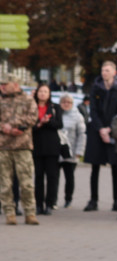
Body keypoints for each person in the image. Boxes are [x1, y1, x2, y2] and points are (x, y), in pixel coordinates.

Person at [83, 60, 117, 212]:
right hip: (96, 132)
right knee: (95, 167)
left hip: (114, 131)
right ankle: (93, 200)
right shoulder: (95, 88)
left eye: (107, 70)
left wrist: (110, 129)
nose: (104, 73)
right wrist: (101, 129)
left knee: (116, 167)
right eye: (103, 70)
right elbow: (93, 110)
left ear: (114, 72)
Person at [0, 75, 38, 225]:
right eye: (1, 84)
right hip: (3, 147)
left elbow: (33, 117)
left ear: (15, 85)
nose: (2, 87)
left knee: (26, 183)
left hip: (23, 146)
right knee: (5, 183)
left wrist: (16, 126)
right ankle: (9, 213)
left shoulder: (28, 100)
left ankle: (30, 213)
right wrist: (5, 128)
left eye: (5, 84)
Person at [30, 84, 63, 216]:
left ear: (49, 94)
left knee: (52, 177)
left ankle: (50, 203)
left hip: (52, 147)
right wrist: (39, 124)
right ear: (37, 93)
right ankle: (38, 204)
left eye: (45, 91)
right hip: (36, 145)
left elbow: (59, 124)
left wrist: (48, 121)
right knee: (38, 177)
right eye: (41, 91)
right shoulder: (31, 107)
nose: (43, 94)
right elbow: (29, 126)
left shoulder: (55, 107)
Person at [57, 93, 87, 208]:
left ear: (72, 104)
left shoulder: (78, 116)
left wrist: (79, 151)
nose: (66, 104)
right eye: (63, 102)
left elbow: (82, 135)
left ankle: (68, 198)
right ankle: (53, 200)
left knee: (69, 177)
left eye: (68, 102)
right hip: (57, 151)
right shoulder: (56, 114)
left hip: (71, 151)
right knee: (54, 177)